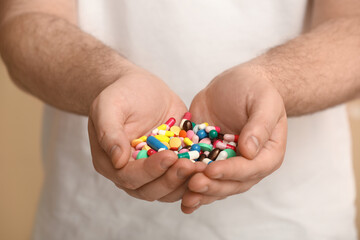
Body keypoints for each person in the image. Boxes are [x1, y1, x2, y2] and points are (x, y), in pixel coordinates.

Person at [0, 0, 358, 239]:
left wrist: (272, 83)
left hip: (295, 223)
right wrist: (108, 80)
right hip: (88, 221)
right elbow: (24, 19)